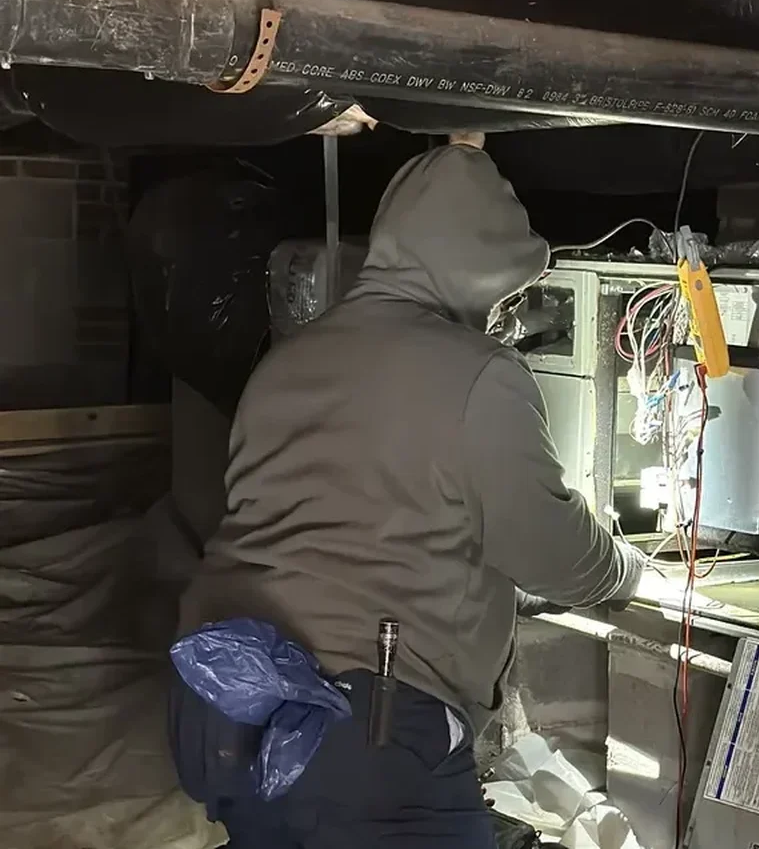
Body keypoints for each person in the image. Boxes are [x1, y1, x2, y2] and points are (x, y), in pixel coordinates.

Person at [171, 133, 646, 848]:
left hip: (228, 709)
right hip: (363, 730)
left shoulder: (288, 359)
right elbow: (551, 552)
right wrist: (628, 568)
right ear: (478, 272)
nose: (506, 310)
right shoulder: (479, 373)